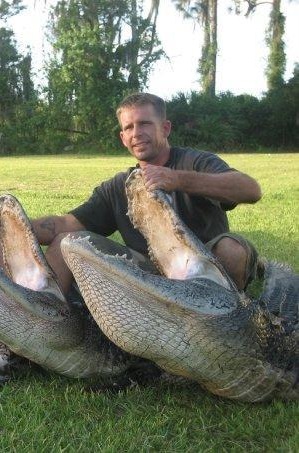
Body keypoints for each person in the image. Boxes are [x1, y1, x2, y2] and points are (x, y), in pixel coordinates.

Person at [1, 93, 262, 294]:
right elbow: (64, 224)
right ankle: (46, 322)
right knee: (66, 242)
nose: (136, 133)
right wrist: (10, 230)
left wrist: (176, 179)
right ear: (123, 137)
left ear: (166, 128)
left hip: (206, 264)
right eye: (128, 128)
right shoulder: (118, 187)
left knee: (233, 249)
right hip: (149, 274)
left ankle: (230, 318)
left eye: (145, 124)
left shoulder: (195, 162)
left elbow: (250, 189)